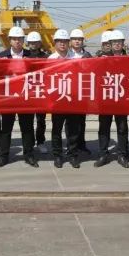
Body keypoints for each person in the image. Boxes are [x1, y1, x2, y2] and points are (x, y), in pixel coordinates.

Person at [0, 26, 37, 167]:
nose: (17, 41)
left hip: (25, 98)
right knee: (6, 129)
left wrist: (30, 64)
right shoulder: (2, 56)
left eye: (20, 39)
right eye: (14, 39)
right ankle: (3, 156)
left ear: (23, 40)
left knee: (27, 128)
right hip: (8, 98)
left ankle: (29, 155)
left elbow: (41, 72)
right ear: (10, 40)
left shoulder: (31, 56)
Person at [95, 30, 129, 168]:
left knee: (122, 128)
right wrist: (99, 61)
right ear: (110, 43)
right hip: (106, 98)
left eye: (119, 42)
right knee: (104, 127)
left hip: (122, 99)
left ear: (123, 43)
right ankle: (103, 154)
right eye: (114, 42)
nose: (116, 44)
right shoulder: (102, 58)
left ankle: (122, 154)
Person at [48, 29, 80, 168]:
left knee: (73, 130)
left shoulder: (76, 58)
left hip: (72, 99)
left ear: (68, 43)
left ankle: (73, 155)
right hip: (57, 100)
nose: (62, 44)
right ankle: (57, 155)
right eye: (59, 41)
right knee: (56, 129)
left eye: (65, 41)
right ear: (55, 43)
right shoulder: (50, 59)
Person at [68, 28, 92, 155]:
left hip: (83, 92)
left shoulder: (87, 55)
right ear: (71, 41)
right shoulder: (66, 54)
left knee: (82, 121)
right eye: (75, 39)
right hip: (69, 92)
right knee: (71, 122)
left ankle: (81, 144)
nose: (77, 41)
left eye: (79, 39)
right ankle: (71, 146)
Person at [26, 31, 50, 154]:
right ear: (28, 43)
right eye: (31, 42)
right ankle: (30, 143)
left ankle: (40, 142)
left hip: (41, 92)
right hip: (28, 93)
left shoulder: (46, 57)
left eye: (35, 42)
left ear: (40, 43)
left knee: (41, 120)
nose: (33, 45)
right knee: (28, 120)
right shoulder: (24, 57)